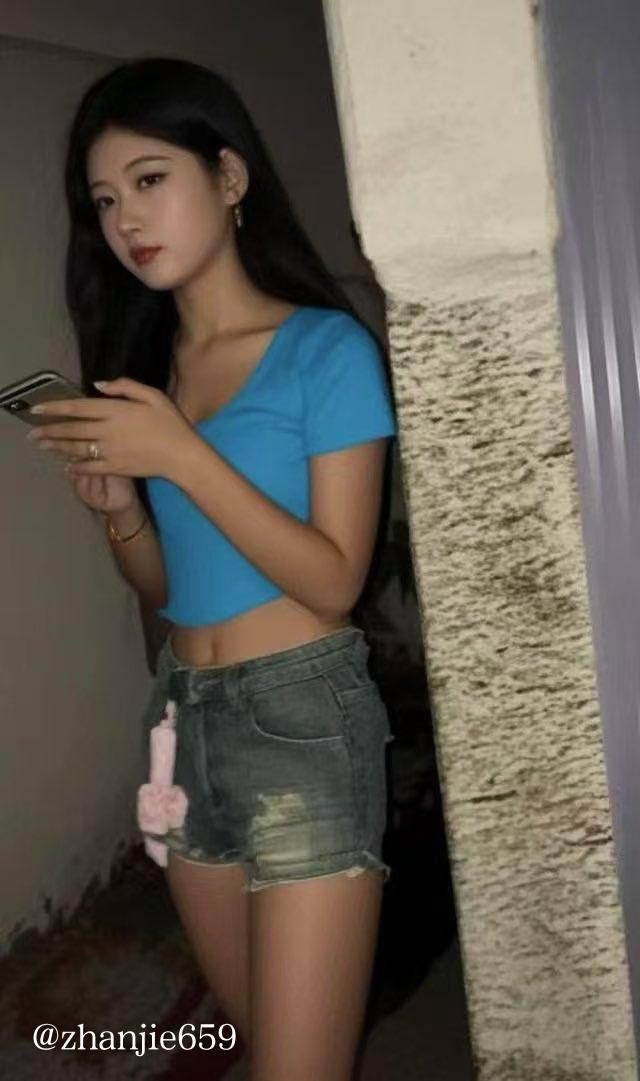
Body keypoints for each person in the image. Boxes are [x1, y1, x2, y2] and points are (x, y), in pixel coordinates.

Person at [37, 56, 398, 1079]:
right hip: (179, 727)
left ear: (230, 177)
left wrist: (182, 455)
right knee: (268, 1048)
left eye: (150, 179)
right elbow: (169, 592)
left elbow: (335, 580)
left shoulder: (325, 350)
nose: (126, 220)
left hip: (301, 718)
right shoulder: (147, 375)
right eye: (105, 200)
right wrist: (122, 513)